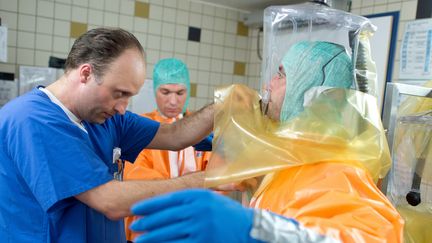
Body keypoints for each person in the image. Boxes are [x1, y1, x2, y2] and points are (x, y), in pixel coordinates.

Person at [129, 41, 404, 242]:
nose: (268, 85)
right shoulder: (294, 159)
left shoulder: (337, 171)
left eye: (282, 74)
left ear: (309, 89)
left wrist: (256, 229)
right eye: (165, 92)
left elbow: (372, 237)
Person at [0, 28, 214, 243]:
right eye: (119, 93)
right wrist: (207, 178)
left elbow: (174, 135)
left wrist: (224, 107)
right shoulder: (33, 120)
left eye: (129, 96)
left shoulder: (105, 118)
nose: (122, 108)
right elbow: (110, 201)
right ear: (86, 73)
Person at [123, 58, 212, 241]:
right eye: (165, 92)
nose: (173, 101)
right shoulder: (141, 127)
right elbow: (136, 179)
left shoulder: (203, 128)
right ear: (155, 91)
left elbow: (217, 179)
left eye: (180, 93)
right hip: (149, 228)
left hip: (193, 228)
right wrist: (191, 187)